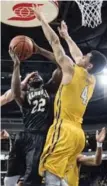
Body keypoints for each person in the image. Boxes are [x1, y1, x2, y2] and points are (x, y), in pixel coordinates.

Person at [32, 5, 107, 186]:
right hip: (78, 135)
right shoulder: (90, 79)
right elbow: (77, 54)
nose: (82, 56)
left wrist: (42, 20)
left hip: (64, 128)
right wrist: (67, 36)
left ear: (88, 65)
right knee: (59, 177)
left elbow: (55, 44)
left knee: (50, 172)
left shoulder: (71, 70)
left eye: (87, 56)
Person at [4, 44, 62, 186]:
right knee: (10, 175)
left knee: (32, 177)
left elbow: (61, 64)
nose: (34, 75)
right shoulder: (23, 95)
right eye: (30, 77)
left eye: (37, 75)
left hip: (40, 136)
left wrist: (40, 50)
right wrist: (16, 65)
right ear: (27, 84)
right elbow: (15, 91)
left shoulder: (50, 88)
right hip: (24, 135)